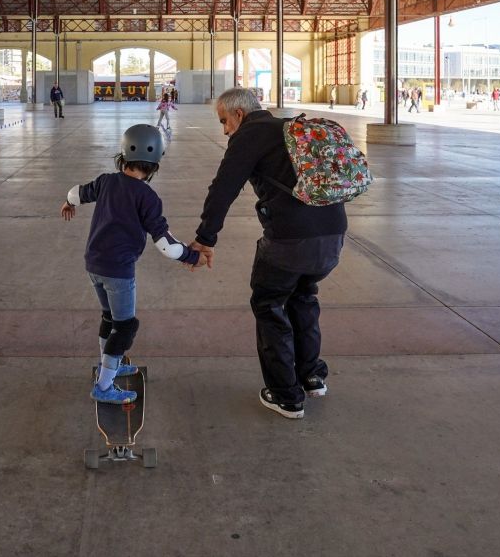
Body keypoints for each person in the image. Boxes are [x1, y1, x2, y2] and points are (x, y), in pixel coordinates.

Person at [190, 88, 347, 420]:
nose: (225, 131)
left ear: (239, 115)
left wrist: (205, 238)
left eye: (224, 121)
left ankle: (286, 395)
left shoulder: (250, 135)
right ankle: (312, 376)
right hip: (333, 234)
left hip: (291, 240)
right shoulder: (288, 130)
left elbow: (223, 189)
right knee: (303, 296)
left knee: (270, 304)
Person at [61, 124, 204, 404]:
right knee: (124, 327)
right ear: (155, 164)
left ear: (123, 156)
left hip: (93, 264)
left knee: (109, 318)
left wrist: (68, 203)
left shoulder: (106, 181)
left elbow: (76, 192)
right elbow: (166, 244)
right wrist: (193, 256)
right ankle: (104, 386)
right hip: (119, 271)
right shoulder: (148, 197)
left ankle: (110, 364)